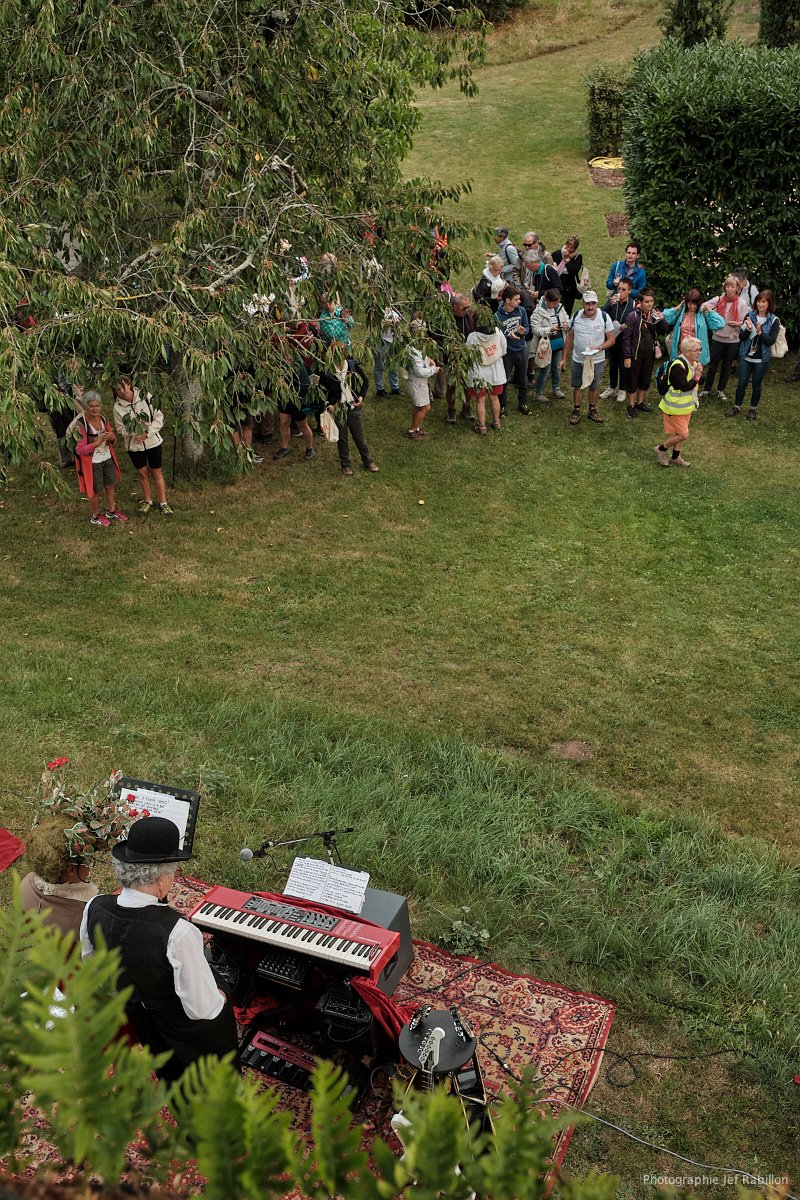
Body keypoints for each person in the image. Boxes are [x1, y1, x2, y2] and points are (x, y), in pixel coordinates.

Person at [80, 816, 238, 1083]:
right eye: (174, 872)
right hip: (187, 1032)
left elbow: (93, 966)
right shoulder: (178, 933)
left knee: (170, 1076)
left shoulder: (94, 906)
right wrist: (221, 995)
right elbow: (202, 1010)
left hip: (143, 1019)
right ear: (161, 878)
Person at [20, 814, 98, 942]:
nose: (90, 865)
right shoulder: (81, 916)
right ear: (71, 870)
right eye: (89, 861)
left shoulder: (26, 884)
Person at [113, 376, 173, 516]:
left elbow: (159, 418)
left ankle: (164, 503)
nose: (121, 392)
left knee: (156, 473)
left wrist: (147, 433)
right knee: (142, 474)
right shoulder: (117, 407)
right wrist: (133, 432)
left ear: (129, 384)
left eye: (122, 388)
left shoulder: (146, 396)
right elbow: (120, 429)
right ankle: (148, 501)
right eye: (117, 390)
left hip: (152, 442)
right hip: (134, 446)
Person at [318, 346, 379, 475]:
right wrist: (329, 404)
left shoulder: (352, 366)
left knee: (359, 437)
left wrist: (361, 397)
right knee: (343, 439)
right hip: (338, 409)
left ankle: (368, 461)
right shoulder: (327, 371)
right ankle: (346, 465)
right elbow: (322, 390)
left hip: (353, 407)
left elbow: (365, 381)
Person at [71, 391, 128, 527]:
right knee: (95, 490)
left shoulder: (103, 418)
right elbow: (79, 450)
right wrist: (96, 443)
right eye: (91, 406)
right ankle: (95, 516)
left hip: (107, 458)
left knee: (110, 485)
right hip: (93, 462)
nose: (95, 409)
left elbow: (112, 438)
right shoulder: (81, 424)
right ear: (85, 406)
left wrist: (111, 437)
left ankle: (111, 511)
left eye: (97, 405)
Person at [561, 291, 615, 425]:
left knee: (594, 386)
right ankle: (576, 410)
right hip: (578, 359)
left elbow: (611, 339)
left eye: (593, 303)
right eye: (587, 304)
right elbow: (569, 338)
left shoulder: (604, 317)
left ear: (597, 303)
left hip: (597, 360)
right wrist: (564, 358)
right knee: (578, 385)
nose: (590, 307)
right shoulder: (576, 316)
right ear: (582, 304)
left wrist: (600, 348)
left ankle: (592, 409)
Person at [728, 289, 781, 420]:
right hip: (746, 357)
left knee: (756, 385)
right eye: (758, 301)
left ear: (769, 303)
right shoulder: (749, 315)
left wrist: (760, 333)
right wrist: (748, 329)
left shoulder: (774, 320)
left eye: (763, 302)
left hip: (761, 359)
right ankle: (737, 406)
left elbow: (771, 341)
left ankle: (752, 409)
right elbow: (741, 337)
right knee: (742, 383)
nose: (760, 304)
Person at [621, 287, 670, 419]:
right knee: (632, 380)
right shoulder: (633, 316)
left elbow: (664, 329)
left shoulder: (654, 316)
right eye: (647, 302)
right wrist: (627, 356)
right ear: (640, 302)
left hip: (649, 353)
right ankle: (631, 405)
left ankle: (640, 402)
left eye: (651, 301)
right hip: (635, 354)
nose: (650, 304)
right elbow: (627, 338)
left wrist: (662, 319)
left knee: (645, 379)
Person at [654, 336, 703, 468]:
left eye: (700, 349)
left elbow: (699, 381)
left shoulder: (693, 363)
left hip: (686, 406)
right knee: (683, 434)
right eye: (696, 350)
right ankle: (661, 449)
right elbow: (684, 386)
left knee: (679, 433)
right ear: (686, 352)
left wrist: (699, 374)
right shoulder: (677, 366)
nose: (699, 352)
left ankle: (675, 457)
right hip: (674, 407)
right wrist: (697, 377)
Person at [701, 277, 750, 402]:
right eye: (727, 286)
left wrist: (737, 324)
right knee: (712, 365)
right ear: (724, 287)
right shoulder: (718, 300)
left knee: (726, 367)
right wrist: (709, 311)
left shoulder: (742, 303)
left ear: (737, 288)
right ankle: (706, 389)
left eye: (732, 286)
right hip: (717, 338)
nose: (730, 289)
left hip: (733, 340)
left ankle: (720, 390)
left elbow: (746, 322)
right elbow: (703, 306)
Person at [661, 288, 724, 367]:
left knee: (695, 373)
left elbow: (720, 324)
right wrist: (677, 308)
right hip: (681, 352)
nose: (692, 307)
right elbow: (663, 316)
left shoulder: (703, 314)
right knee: (680, 373)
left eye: (695, 304)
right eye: (690, 304)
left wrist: (709, 310)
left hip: (697, 354)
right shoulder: (681, 313)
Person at [494, 285, 531, 416]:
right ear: (508, 300)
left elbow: (527, 328)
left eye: (519, 299)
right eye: (516, 299)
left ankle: (523, 403)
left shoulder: (521, 311)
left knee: (523, 379)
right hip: (507, 353)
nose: (519, 301)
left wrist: (523, 331)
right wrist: (508, 335)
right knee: (504, 379)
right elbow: (497, 335)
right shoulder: (497, 316)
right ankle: (502, 405)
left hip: (521, 349)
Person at [465, 324, 507, 434]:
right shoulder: (498, 332)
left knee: (480, 400)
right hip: (496, 371)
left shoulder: (473, 336)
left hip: (479, 373)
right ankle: (496, 422)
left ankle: (482, 426)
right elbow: (503, 349)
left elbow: (468, 354)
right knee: (495, 398)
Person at [600, 278, 636, 404]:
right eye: (619, 289)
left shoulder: (633, 305)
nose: (620, 291)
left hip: (625, 341)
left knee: (623, 366)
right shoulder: (613, 301)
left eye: (623, 289)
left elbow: (636, 322)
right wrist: (609, 303)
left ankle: (622, 389)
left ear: (629, 291)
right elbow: (601, 314)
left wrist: (627, 325)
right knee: (613, 365)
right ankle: (612, 387)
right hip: (612, 338)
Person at [530, 289, 568, 403]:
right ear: (547, 301)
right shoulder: (538, 312)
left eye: (558, 303)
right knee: (544, 368)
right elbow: (535, 329)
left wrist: (566, 324)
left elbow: (566, 318)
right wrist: (549, 329)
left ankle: (556, 388)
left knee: (556, 367)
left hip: (558, 343)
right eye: (554, 303)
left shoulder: (559, 307)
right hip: (545, 346)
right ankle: (539, 392)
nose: (556, 305)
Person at [404, 320, 439, 440]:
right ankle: (412, 430)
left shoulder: (415, 345)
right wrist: (433, 370)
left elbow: (422, 358)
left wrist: (428, 360)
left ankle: (416, 427)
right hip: (417, 382)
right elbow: (419, 371)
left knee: (417, 405)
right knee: (425, 407)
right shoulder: (414, 350)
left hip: (418, 382)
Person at [446, 293, 478, 423]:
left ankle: (466, 407)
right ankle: (451, 409)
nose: (467, 310)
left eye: (468, 307)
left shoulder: (469, 315)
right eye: (464, 308)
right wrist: (449, 347)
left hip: (468, 355)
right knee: (451, 385)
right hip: (451, 357)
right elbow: (437, 336)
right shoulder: (446, 318)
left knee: (468, 383)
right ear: (454, 307)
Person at [373, 305, 402, 397]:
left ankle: (395, 387)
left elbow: (399, 320)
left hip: (393, 341)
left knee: (393, 365)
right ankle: (380, 389)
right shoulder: (377, 310)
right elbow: (380, 322)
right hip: (381, 341)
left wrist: (397, 321)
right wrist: (392, 321)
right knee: (379, 366)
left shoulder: (394, 311)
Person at [551, 235, 583, 317]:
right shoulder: (557, 253)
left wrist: (567, 260)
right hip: (557, 286)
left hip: (569, 289)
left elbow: (573, 271)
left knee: (566, 312)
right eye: (568, 246)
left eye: (571, 248)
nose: (568, 249)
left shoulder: (577, 257)